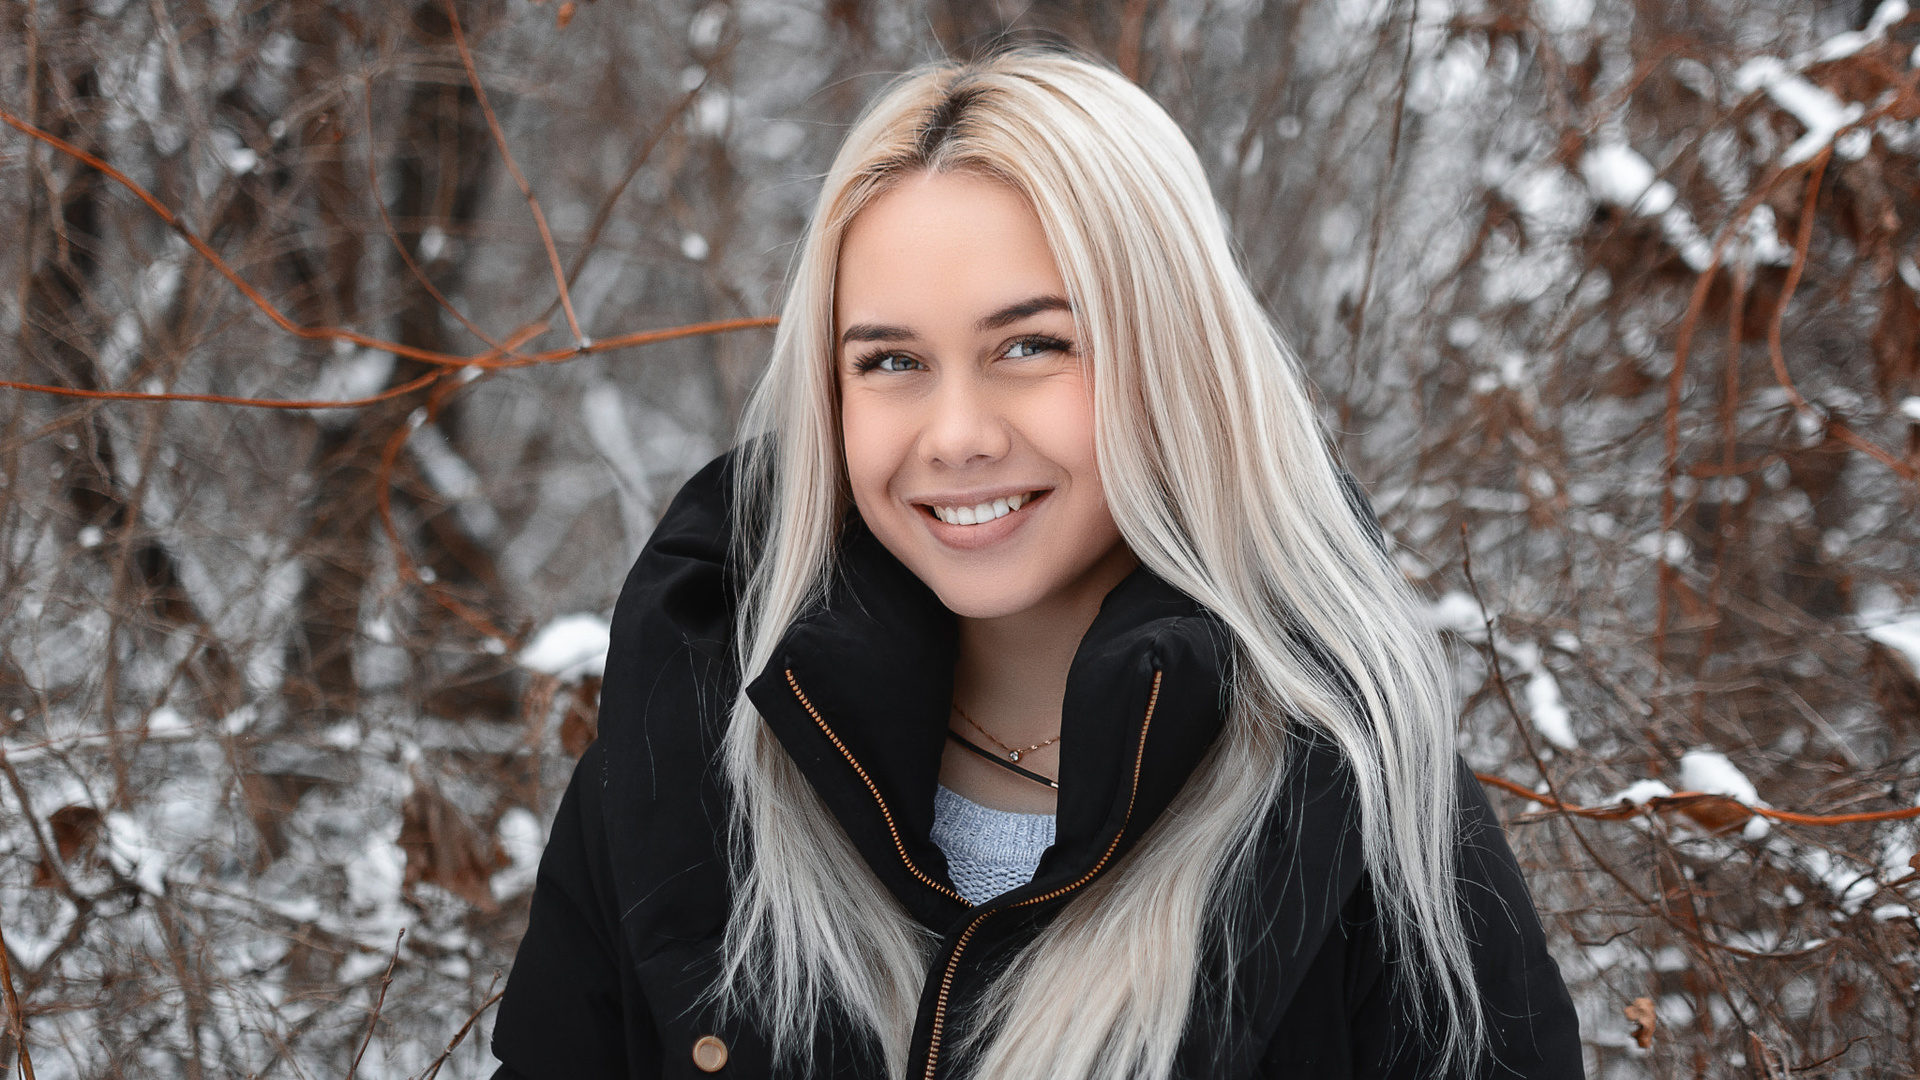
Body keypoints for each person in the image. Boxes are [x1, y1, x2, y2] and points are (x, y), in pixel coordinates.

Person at [489, 49, 1582, 1080]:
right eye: (892, 361)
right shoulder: (691, 729)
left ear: (1173, 358)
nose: (956, 433)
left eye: (1031, 346)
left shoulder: (1350, 792)